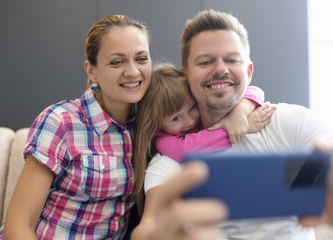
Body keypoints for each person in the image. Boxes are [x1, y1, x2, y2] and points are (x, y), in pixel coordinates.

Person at [0, 14, 224, 240]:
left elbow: (226, 95)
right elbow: (18, 227)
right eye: (117, 61)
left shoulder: (150, 121)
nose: (133, 71)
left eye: (141, 59)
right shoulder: (61, 121)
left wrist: (241, 112)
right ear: (91, 71)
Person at [140, 9, 333, 240]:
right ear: (186, 75)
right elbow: (152, 222)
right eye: (205, 61)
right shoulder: (170, 160)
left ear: (249, 71)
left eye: (232, 60)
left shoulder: (290, 122)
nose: (221, 69)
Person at [133, 63, 275, 213]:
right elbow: (186, 150)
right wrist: (238, 129)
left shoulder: (203, 115)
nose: (189, 121)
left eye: (192, 108)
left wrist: (239, 114)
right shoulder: (160, 139)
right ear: (157, 124)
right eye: (176, 118)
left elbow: (254, 90)